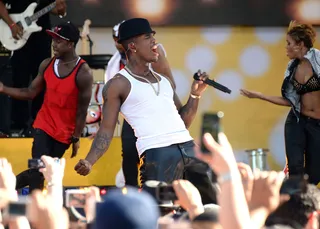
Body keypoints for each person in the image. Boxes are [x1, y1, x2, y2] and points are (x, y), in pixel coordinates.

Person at [75, 18, 218, 205]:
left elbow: (182, 122)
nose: (154, 42)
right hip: (157, 154)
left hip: (189, 149)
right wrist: (89, 161)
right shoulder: (118, 84)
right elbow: (106, 130)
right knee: (157, 212)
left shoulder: (163, 80)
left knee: (211, 208)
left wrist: (195, 95)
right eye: (148, 37)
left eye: (153, 37)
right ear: (133, 46)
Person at [0, 21, 93, 192]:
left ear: (70, 44)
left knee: (44, 171)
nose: (54, 44)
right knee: (37, 168)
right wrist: (4, 88)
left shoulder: (83, 73)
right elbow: (30, 92)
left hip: (64, 133)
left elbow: (82, 111)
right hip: (43, 126)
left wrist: (76, 138)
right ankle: (35, 211)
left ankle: (6, 188)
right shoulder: (47, 64)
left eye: (58, 40)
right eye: (53, 39)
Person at [240, 21, 320, 185]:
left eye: (289, 43)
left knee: (316, 172)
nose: (286, 47)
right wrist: (260, 96)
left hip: (317, 125)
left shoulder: (318, 60)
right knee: (295, 168)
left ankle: (306, 198)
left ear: (300, 45)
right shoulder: (292, 68)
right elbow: (288, 101)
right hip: (297, 121)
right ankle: (296, 204)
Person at [104, 21, 176, 187]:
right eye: (115, 39)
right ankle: (132, 191)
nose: (116, 42)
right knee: (128, 153)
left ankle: (157, 191)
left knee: (156, 153)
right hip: (133, 114)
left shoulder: (153, 52)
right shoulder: (113, 64)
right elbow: (111, 98)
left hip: (156, 113)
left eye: (119, 38)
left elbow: (170, 84)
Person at [0, 0, 66, 136]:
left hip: (41, 36)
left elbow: (56, 9)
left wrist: (60, 9)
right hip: (18, 34)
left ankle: (39, 124)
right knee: (19, 78)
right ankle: (18, 125)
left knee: (43, 79)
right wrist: (11, 25)